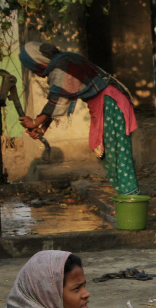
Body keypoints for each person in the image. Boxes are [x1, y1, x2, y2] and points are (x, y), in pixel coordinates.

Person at [18, 42, 140, 195]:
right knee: (108, 156)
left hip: (110, 102)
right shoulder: (62, 63)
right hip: (104, 104)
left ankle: (131, 198)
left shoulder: (62, 64)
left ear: (37, 61)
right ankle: (125, 195)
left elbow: (57, 99)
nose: (34, 72)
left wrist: (36, 122)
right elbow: (61, 97)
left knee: (118, 154)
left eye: (32, 67)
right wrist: (42, 129)